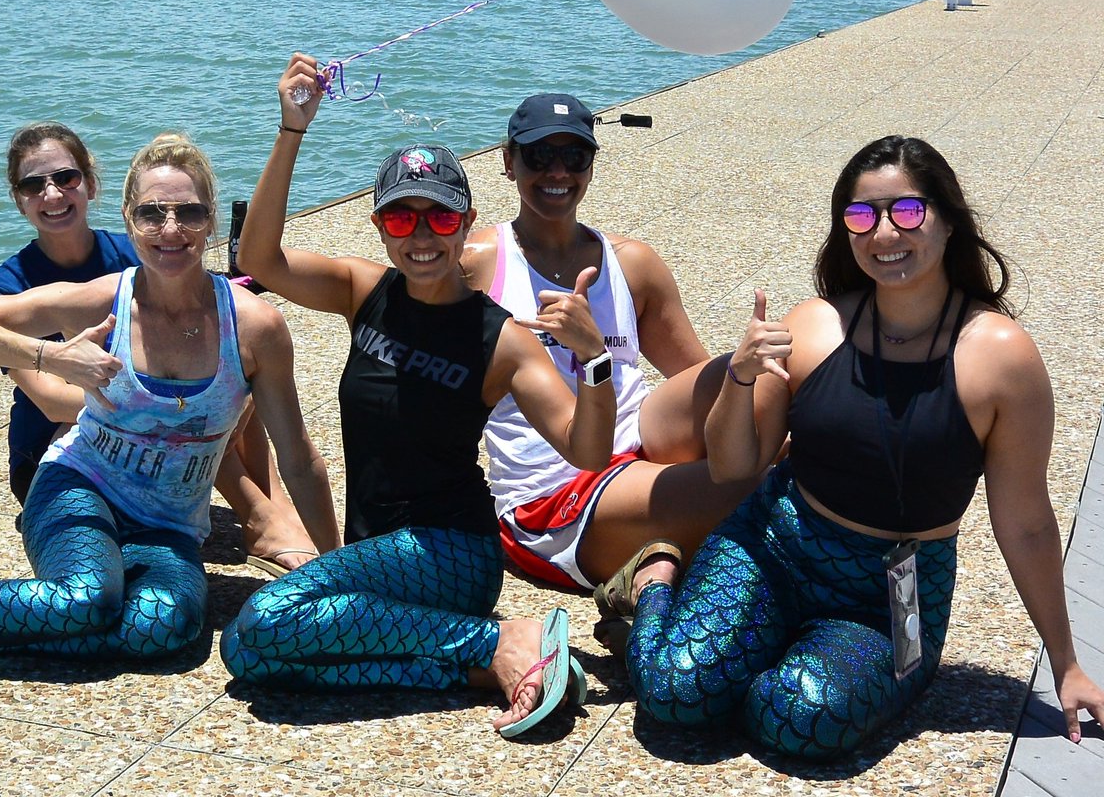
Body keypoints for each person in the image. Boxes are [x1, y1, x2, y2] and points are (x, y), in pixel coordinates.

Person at [613, 135, 1104, 757]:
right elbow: (735, 466)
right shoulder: (815, 325)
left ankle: (772, 657)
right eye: (862, 216)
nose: (884, 233)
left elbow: (1026, 522)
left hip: (894, 591)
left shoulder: (1001, 358)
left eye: (907, 211)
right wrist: (739, 378)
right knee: (674, 694)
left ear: (949, 221)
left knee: (800, 720)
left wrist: (1065, 664)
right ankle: (655, 578)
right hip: (774, 545)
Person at [220, 55, 617, 737]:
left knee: (264, 620)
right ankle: (487, 665)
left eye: (440, 219)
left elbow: (587, 451)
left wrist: (595, 359)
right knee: (256, 657)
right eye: (402, 221)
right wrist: (292, 130)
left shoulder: (503, 340)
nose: (422, 237)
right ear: (379, 227)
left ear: (467, 222)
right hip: (377, 552)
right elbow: (258, 259)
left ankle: (500, 638)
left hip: (452, 554)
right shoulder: (363, 291)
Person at [0, 133, 338, 662]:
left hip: (168, 523)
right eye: (152, 214)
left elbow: (299, 458)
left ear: (211, 221)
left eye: (190, 213)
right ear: (129, 220)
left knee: (163, 630)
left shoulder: (255, 326)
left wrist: (338, 571)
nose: (171, 229)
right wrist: (50, 356)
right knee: (87, 597)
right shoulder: (102, 298)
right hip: (79, 486)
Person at [0, 121, 321, 575]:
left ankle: (268, 506)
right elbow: (48, 400)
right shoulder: (10, 285)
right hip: (60, 440)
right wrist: (160, 407)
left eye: (66, 178)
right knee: (181, 407)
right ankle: (259, 512)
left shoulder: (143, 249)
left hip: (147, 446)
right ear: (18, 198)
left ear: (90, 183)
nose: (52, 194)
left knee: (230, 368)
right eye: (33, 185)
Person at [460, 93, 756, 595]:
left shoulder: (632, 263)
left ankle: (655, 567)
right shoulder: (477, 265)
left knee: (758, 386)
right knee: (761, 488)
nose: (558, 171)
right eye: (539, 155)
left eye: (574, 156)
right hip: (554, 492)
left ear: (592, 165)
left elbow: (703, 380)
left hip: (640, 448)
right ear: (508, 162)